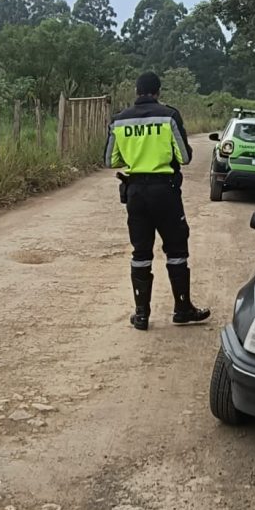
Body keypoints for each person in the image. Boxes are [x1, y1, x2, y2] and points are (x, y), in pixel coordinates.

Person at [104, 72, 211, 331]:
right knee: (176, 250)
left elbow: (110, 161)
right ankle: (182, 308)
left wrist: (136, 156)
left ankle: (141, 315)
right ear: (158, 92)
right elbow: (184, 157)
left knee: (141, 252)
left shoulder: (119, 120)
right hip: (165, 192)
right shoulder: (169, 116)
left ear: (136, 91)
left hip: (136, 193)